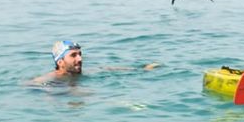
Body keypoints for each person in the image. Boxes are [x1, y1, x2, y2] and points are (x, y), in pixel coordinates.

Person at [27, 38, 156, 84]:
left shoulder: (87, 72)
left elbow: (108, 69)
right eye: (73, 55)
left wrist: (142, 69)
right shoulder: (51, 78)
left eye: (80, 54)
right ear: (60, 62)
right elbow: (30, 84)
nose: (80, 59)